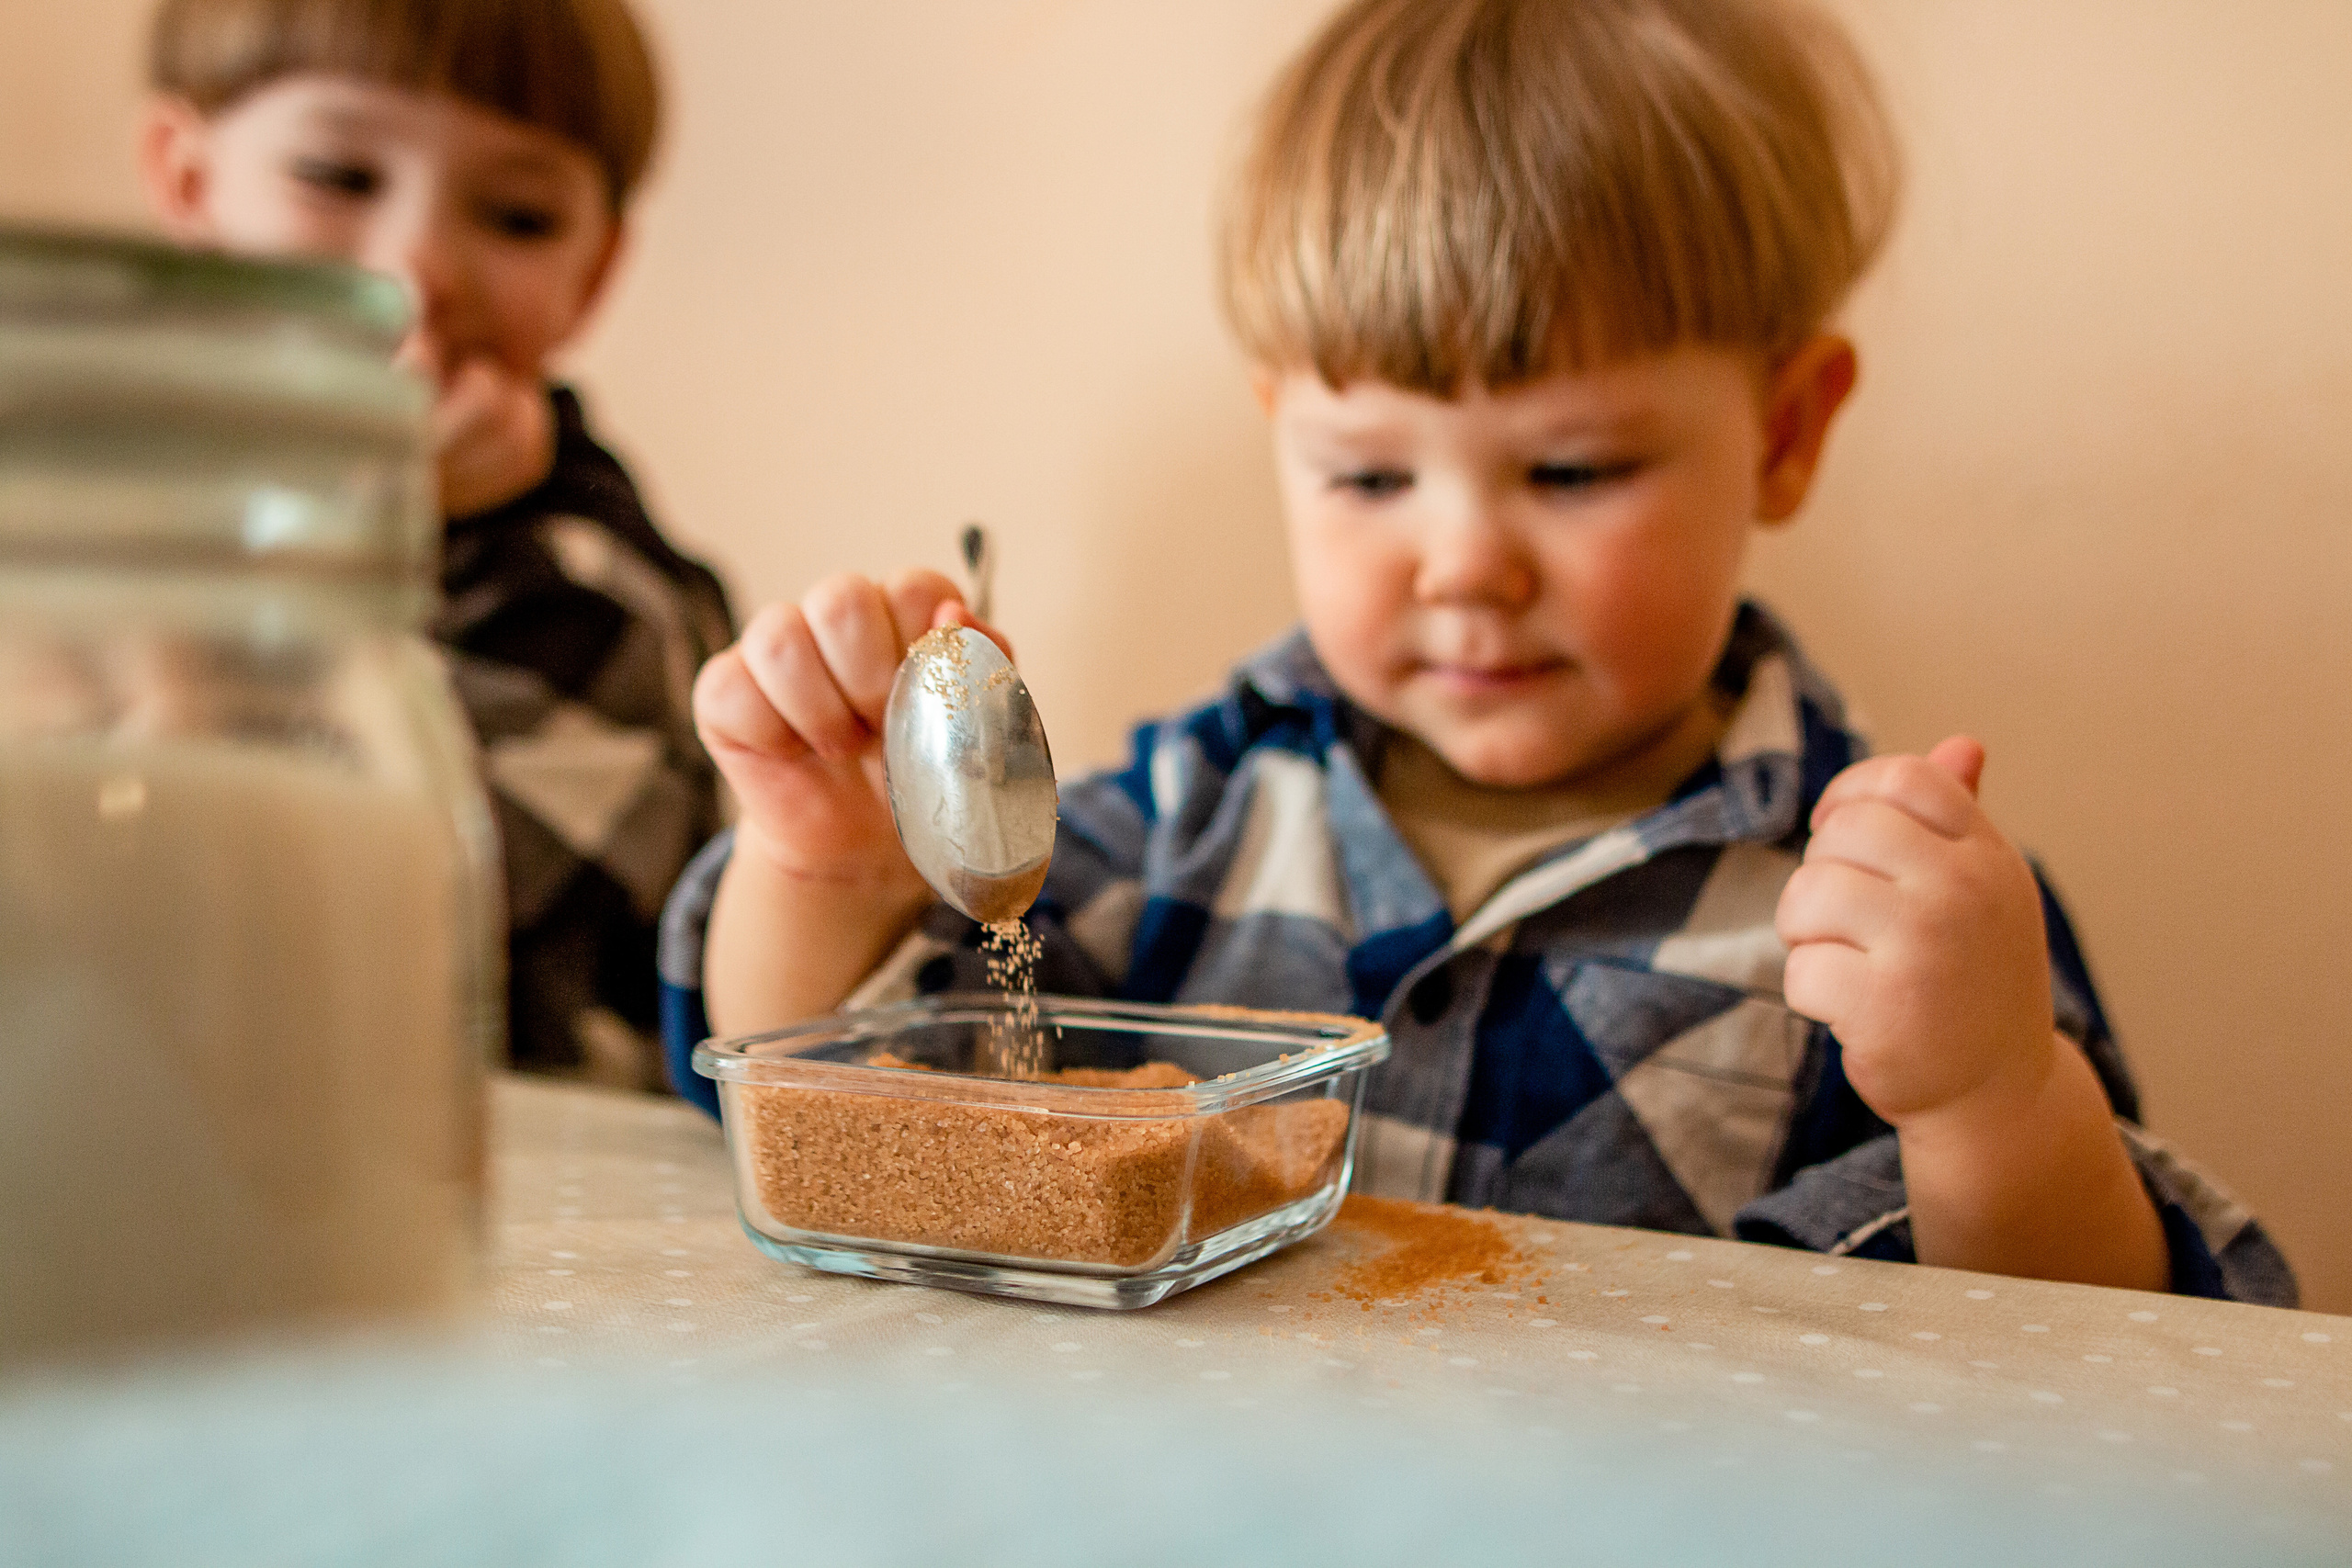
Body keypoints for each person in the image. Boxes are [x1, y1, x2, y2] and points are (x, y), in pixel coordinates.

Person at [659, 0, 2291, 1302]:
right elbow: (855, 1109)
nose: (1461, 564)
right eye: (1369, 475)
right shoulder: (1182, 816)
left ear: (1786, 434)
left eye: (1572, 471)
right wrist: (821, 866)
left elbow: (2098, 1356)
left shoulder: (1877, 910)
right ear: (1278, 435)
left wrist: (1992, 1099)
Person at [140, 0, 736, 1089]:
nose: (418, 271)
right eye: (337, 175)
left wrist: (353, 526)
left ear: (591, 275)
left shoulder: (593, 597)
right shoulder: (119, 500)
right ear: (188, 180)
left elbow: (251, 937)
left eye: (514, 217)